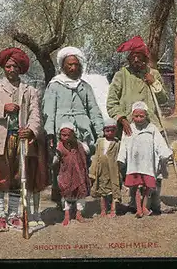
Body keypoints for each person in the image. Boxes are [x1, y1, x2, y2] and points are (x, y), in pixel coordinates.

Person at [0, 47, 48, 231]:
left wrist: (31, 131)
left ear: (21, 68)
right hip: (0, 139)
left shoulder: (29, 90)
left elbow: (36, 115)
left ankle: (13, 215)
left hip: (21, 139)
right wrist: (3, 108)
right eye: (8, 66)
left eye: (16, 66)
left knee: (18, 177)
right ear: (3, 67)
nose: (12, 70)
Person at [106, 35, 171, 215]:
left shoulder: (154, 74)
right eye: (133, 57)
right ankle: (133, 203)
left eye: (139, 57)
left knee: (156, 164)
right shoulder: (122, 75)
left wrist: (154, 83)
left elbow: (164, 99)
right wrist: (121, 118)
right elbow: (111, 102)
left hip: (152, 127)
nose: (136, 60)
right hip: (129, 128)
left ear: (145, 58)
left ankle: (155, 202)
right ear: (129, 58)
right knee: (130, 164)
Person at [42, 46, 104, 208]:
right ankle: (62, 198)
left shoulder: (85, 87)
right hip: (61, 129)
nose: (73, 67)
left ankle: (79, 197)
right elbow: (48, 111)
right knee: (62, 164)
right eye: (69, 64)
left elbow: (94, 110)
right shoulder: (54, 85)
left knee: (81, 163)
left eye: (76, 64)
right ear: (63, 66)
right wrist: (49, 133)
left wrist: (99, 131)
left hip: (82, 130)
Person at [117, 101, 172, 218]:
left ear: (146, 116)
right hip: (134, 164)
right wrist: (121, 158)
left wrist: (165, 153)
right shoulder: (128, 129)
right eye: (136, 116)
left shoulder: (152, 129)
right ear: (132, 116)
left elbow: (159, 143)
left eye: (141, 116)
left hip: (147, 164)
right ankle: (138, 209)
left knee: (148, 187)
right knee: (136, 186)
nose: (139, 119)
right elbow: (123, 145)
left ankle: (145, 207)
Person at [53, 122, 91, 226]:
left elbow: (87, 151)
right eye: (63, 135)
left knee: (80, 194)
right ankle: (67, 215)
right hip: (66, 174)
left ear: (73, 134)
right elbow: (54, 161)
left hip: (79, 174)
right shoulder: (58, 147)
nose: (65, 137)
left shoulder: (79, 145)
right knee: (66, 194)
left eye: (68, 135)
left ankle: (79, 214)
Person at [88, 118, 121, 218]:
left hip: (113, 170)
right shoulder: (100, 142)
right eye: (107, 130)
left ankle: (113, 210)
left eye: (112, 130)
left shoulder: (117, 143)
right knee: (102, 192)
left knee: (114, 191)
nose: (110, 133)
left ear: (116, 131)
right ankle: (103, 210)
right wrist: (92, 172)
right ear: (103, 131)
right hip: (101, 170)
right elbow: (96, 156)